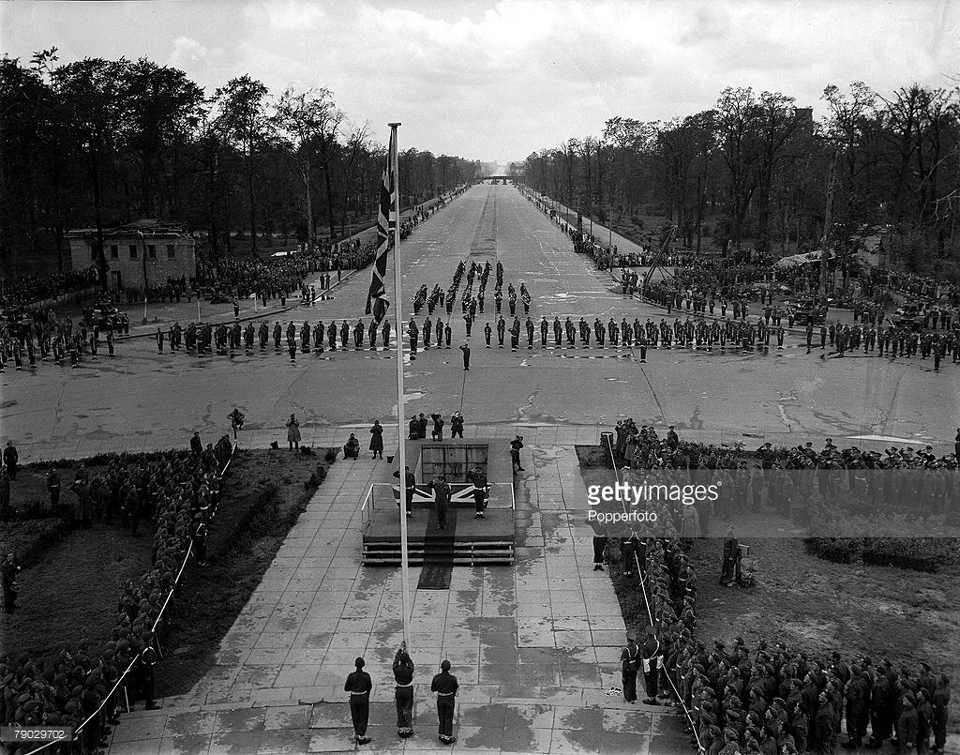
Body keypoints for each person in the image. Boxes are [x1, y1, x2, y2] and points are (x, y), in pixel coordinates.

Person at [344, 657, 372, 745]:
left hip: (354, 697)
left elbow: (346, 688)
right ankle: (361, 735)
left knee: (355, 716)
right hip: (363, 696)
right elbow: (369, 687)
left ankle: (357, 732)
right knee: (363, 716)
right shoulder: (366, 676)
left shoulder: (351, 676)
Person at [430, 659, 458, 744]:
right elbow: (455, 688)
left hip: (441, 698)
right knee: (448, 717)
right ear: (449, 668)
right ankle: (447, 736)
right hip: (449, 698)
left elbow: (433, 689)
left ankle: (442, 733)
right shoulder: (452, 678)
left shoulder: (436, 677)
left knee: (441, 716)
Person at [393, 643, 415, 737]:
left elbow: (395, 661)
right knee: (408, 708)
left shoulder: (396, 669)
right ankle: (408, 727)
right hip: (408, 689)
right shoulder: (409, 669)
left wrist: (399, 650)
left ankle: (401, 727)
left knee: (399, 707)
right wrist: (407, 654)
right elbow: (411, 663)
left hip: (399, 689)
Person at [640, 625, 661, 705]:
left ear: (647, 634)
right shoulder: (658, 644)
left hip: (649, 665)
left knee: (649, 681)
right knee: (654, 681)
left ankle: (650, 698)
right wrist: (658, 667)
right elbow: (660, 656)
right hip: (655, 664)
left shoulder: (646, 645)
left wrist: (647, 670)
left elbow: (645, 659)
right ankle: (654, 696)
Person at [621, 630, 641, 703]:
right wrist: (637, 668)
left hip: (628, 669)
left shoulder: (626, 650)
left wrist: (623, 674)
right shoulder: (637, 648)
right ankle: (633, 698)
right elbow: (638, 659)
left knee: (626, 683)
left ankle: (628, 698)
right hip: (634, 668)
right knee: (633, 683)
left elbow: (625, 664)